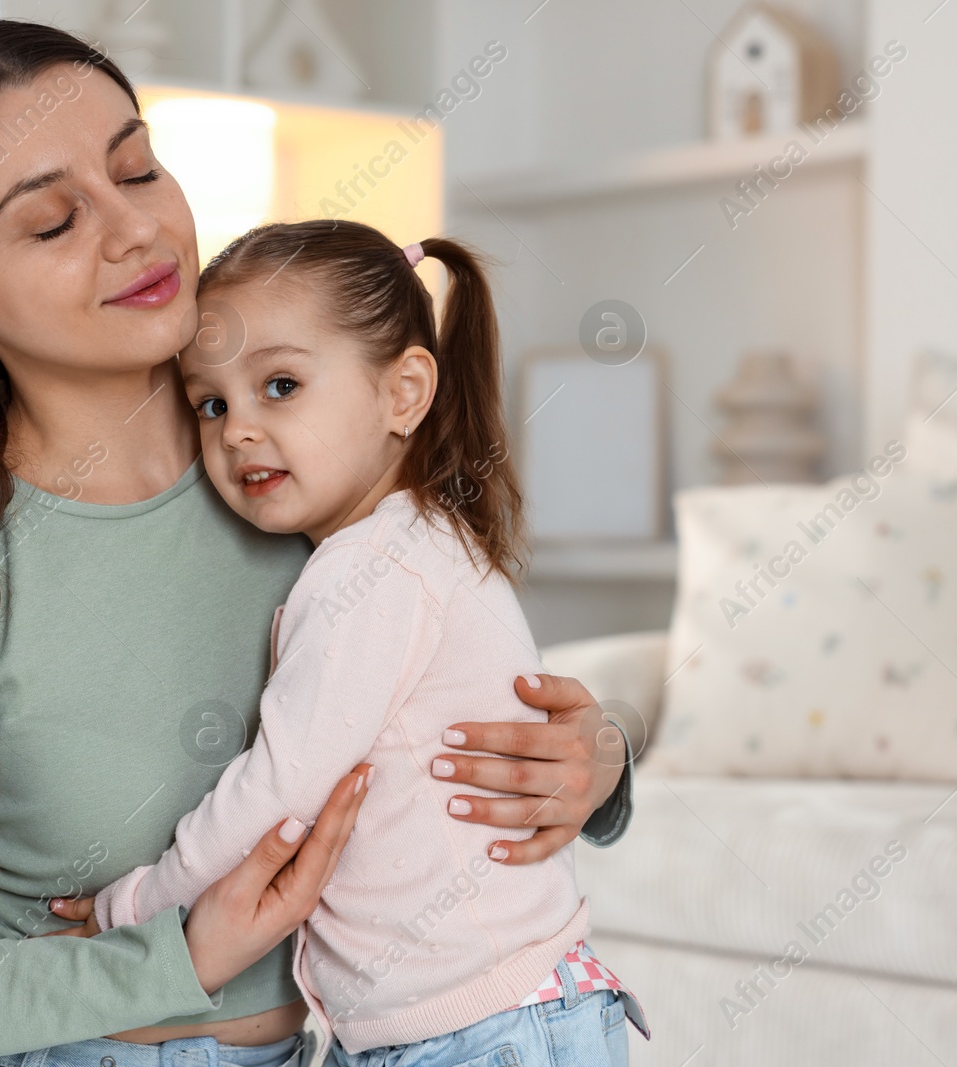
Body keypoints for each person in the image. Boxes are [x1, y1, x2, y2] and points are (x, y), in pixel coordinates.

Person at [0, 20, 634, 1067]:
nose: (135, 230)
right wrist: (173, 953)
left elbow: (444, 680)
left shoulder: (308, 473)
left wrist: (599, 759)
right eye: (53, 220)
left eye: (137, 168)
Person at [56, 219, 651, 1066]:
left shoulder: (372, 567)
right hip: (470, 1020)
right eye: (212, 403)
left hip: (481, 1030)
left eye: (282, 385)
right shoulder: (414, 544)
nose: (237, 431)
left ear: (404, 393)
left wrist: (139, 906)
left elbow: (280, 791)